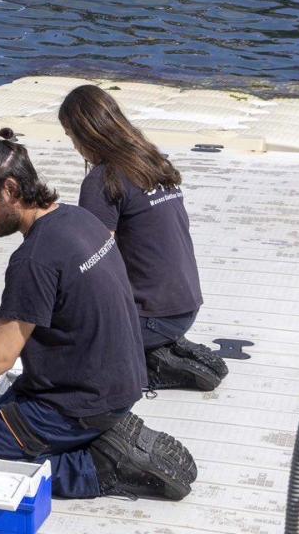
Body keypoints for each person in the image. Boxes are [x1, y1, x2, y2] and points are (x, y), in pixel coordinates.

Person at [0, 130, 198, 501]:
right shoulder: (82, 220)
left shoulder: (34, 259)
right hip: (120, 379)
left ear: (10, 189)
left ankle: (100, 466)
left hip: (81, 400)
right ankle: (103, 431)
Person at [57, 86, 227, 392]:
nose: (73, 147)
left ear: (84, 133)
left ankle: (147, 366)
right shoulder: (150, 161)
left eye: (70, 136)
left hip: (151, 317)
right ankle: (157, 348)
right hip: (186, 307)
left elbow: (95, 264)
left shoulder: (102, 180)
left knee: (58, 336)